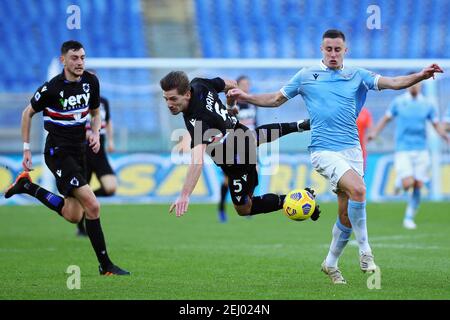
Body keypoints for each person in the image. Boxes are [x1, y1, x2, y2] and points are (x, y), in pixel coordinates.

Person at [228, 29, 444, 284]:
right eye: (328, 49)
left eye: (337, 49)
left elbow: (392, 83)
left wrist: (420, 74)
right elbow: (275, 99)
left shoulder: (357, 75)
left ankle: (330, 264)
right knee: (360, 190)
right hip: (323, 150)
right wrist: (245, 96)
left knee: (346, 216)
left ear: (345, 50)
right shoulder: (306, 76)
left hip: (351, 151)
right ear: (322, 49)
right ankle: (366, 252)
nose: (333, 54)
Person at [4, 40, 129, 276]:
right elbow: (27, 113)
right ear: (63, 60)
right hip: (58, 152)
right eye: (74, 58)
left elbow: (94, 113)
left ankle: (28, 186)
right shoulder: (51, 88)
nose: (80, 62)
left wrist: (93, 132)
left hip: (80, 149)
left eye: (82, 57)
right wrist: (26, 149)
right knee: (92, 205)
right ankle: (106, 265)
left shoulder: (91, 82)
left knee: (73, 215)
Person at [159, 71, 318, 221]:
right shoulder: (199, 83)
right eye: (166, 98)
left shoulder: (198, 120)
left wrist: (185, 195)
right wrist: (230, 106)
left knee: (244, 209)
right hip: (239, 134)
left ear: (187, 94)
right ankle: (298, 125)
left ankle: (296, 198)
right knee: (252, 137)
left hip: (236, 163)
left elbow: (197, 161)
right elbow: (232, 84)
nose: (169, 104)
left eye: (173, 99)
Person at [368, 82, 449, 229]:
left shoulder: (427, 104)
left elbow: (435, 124)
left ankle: (409, 217)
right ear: (408, 86)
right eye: (412, 84)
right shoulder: (399, 102)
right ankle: (400, 183)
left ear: (421, 86)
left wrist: (445, 136)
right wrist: (374, 132)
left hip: (422, 149)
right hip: (403, 149)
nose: (414, 87)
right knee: (408, 183)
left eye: (417, 85)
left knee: (418, 184)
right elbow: (386, 119)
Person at [77, 70, 117, 237]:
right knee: (81, 192)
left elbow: (107, 123)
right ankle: (80, 226)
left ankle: (89, 197)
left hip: (99, 151)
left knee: (111, 188)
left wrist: (111, 140)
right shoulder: (77, 101)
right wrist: (86, 134)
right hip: (83, 152)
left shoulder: (103, 102)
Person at [218, 75, 257, 223]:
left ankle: (248, 206)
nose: (246, 86)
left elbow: (254, 124)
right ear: (237, 86)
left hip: (250, 144)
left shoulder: (252, 104)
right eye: (243, 84)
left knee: (254, 174)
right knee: (229, 179)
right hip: (234, 144)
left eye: (248, 84)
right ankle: (221, 208)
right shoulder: (232, 105)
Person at [356, 107, 373, 171]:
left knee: (360, 173)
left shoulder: (365, 112)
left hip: (360, 149)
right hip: (345, 147)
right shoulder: (345, 109)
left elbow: (370, 128)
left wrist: (370, 135)